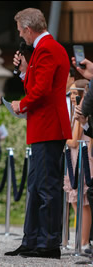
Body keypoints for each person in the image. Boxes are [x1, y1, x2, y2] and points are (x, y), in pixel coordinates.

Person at [5, 8, 72, 259]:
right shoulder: (44, 50)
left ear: (29, 29)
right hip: (44, 126)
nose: (21, 36)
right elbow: (38, 85)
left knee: (46, 188)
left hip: (48, 126)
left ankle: (48, 243)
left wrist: (19, 104)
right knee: (37, 186)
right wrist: (23, 71)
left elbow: (41, 91)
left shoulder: (47, 49)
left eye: (21, 31)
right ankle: (33, 240)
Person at [63, 80, 91, 250]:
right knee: (75, 202)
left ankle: (84, 241)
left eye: (75, 93)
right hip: (74, 158)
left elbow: (74, 141)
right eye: (71, 93)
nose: (73, 97)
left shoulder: (82, 111)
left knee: (83, 202)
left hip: (81, 157)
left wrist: (59, 135)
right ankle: (79, 239)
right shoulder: (76, 110)